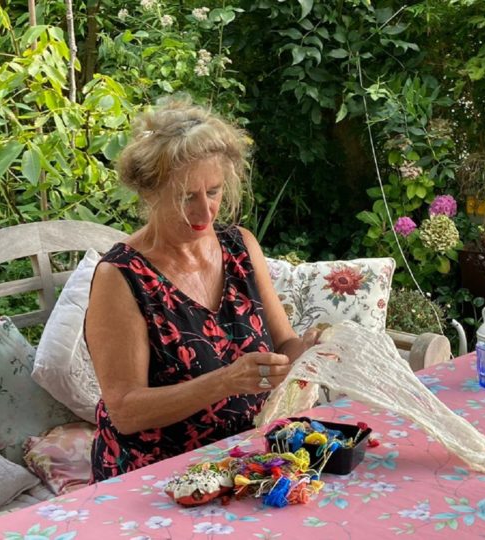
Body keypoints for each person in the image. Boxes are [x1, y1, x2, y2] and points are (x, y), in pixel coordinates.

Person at [85, 97, 318, 482]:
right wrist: (226, 381)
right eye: (185, 197)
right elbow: (125, 412)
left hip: (247, 461)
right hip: (157, 478)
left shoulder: (240, 246)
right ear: (149, 192)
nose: (204, 212)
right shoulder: (121, 276)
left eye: (213, 191)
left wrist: (310, 353)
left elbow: (286, 344)